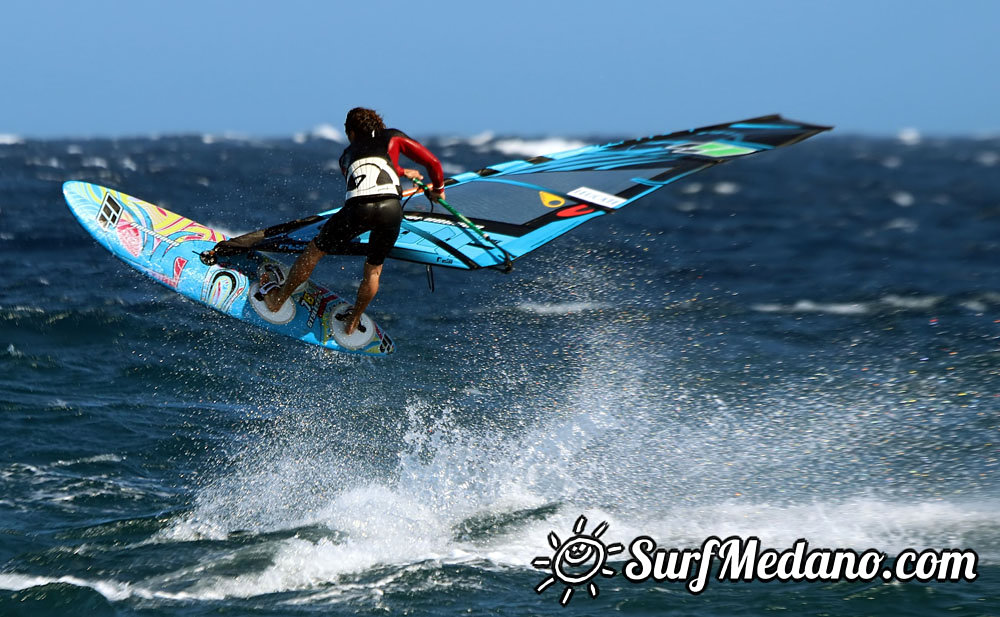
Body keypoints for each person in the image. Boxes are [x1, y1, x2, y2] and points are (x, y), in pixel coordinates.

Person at [260, 107, 445, 335]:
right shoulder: (393, 137)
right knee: (374, 270)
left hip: (359, 208)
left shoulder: (346, 156)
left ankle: (278, 299)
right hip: (391, 209)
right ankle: (352, 321)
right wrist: (438, 189)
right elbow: (433, 163)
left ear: (352, 132)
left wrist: (401, 171)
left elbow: (366, 171)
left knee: (314, 251)